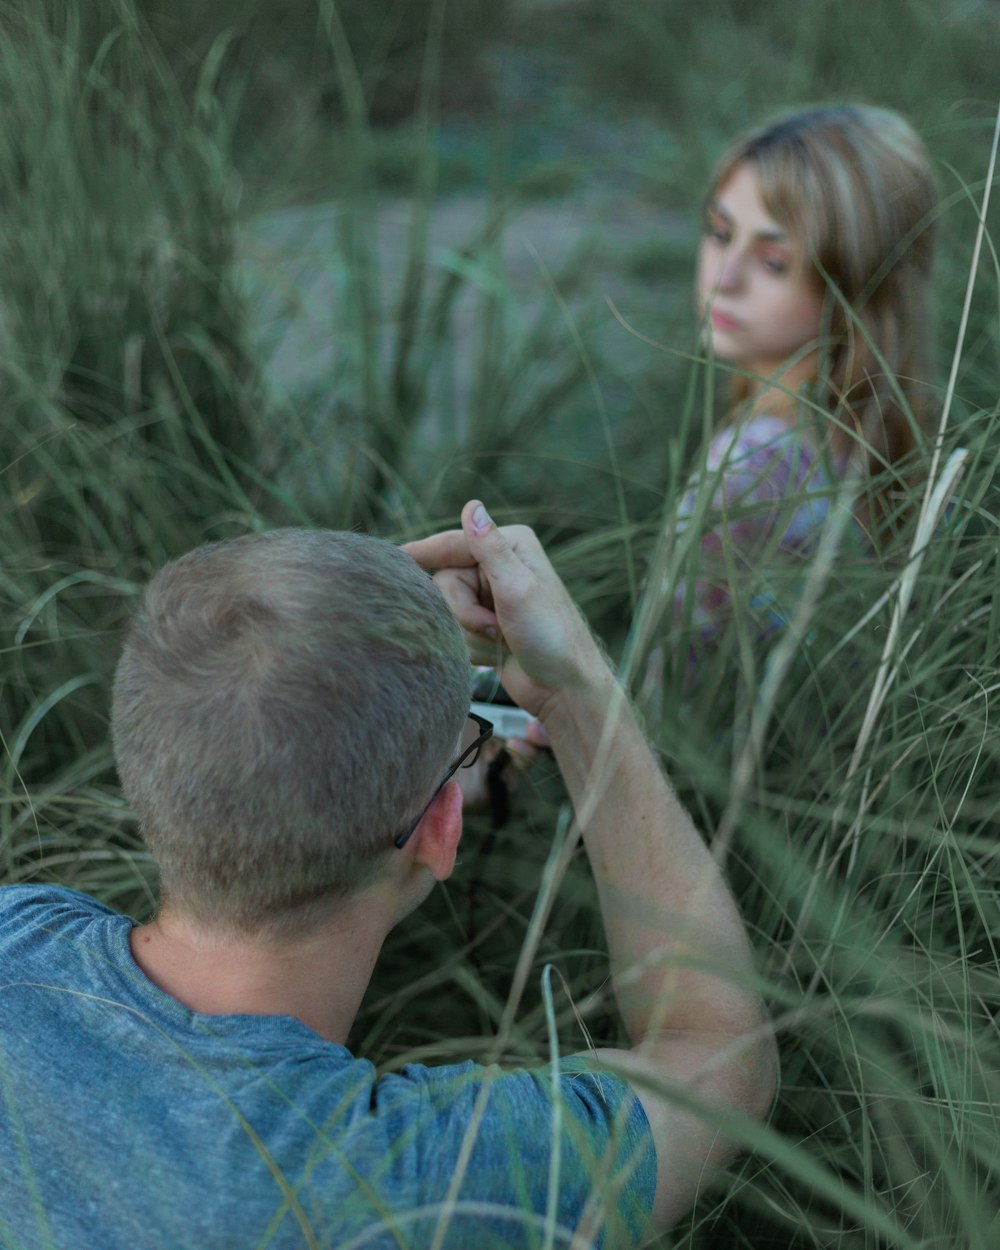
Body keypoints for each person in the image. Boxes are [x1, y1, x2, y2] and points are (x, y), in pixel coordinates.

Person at [0, 503, 776, 1249]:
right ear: (442, 830)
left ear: (144, 772)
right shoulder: (406, 1185)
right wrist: (574, 694)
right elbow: (718, 1056)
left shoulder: (16, 938)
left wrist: (349, 676)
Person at [656, 104, 937, 662]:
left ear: (858, 286)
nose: (724, 277)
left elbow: (657, 701)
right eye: (719, 232)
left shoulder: (751, 465)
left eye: (774, 261)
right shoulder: (890, 446)